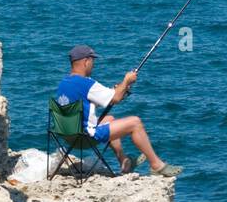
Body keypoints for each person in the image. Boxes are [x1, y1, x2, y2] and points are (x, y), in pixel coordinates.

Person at [54, 45, 182, 177]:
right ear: (86, 61)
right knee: (135, 123)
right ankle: (156, 165)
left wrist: (118, 89)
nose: (93, 65)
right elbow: (115, 98)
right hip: (85, 138)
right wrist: (126, 81)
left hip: (68, 136)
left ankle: (124, 161)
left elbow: (91, 100)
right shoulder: (86, 83)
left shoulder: (65, 83)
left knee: (109, 119)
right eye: (93, 61)